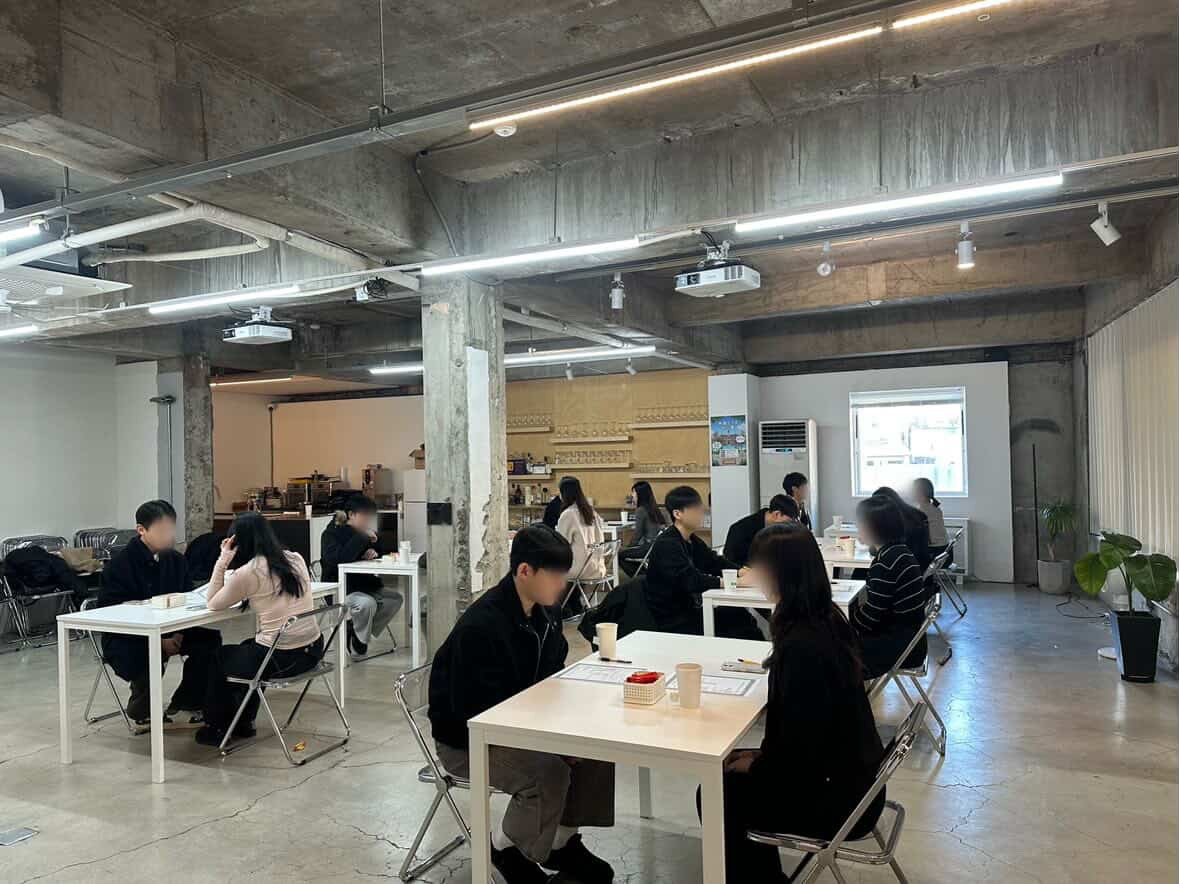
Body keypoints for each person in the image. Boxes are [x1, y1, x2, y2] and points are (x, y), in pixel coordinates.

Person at [428, 525, 616, 884]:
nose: (562, 584)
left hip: (522, 724)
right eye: (555, 575)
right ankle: (504, 849)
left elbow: (551, 674)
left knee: (596, 747)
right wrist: (547, 741)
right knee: (548, 772)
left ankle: (561, 842)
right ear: (525, 571)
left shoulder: (546, 611)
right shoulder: (482, 626)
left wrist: (565, 728)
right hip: (468, 741)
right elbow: (474, 713)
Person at [706, 523, 886, 880]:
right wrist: (760, 756)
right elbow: (804, 732)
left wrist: (759, 765)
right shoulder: (824, 617)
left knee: (717, 794)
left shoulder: (803, 645)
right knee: (727, 775)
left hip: (837, 797)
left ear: (778, 573)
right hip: (852, 779)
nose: (751, 574)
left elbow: (803, 747)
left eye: (757, 566)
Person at [198, 512, 323, 747]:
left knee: (219, 657)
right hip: (312, 650)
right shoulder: (294, 558)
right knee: (247, 649)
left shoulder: (250, 572)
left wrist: (222, 560)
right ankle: (243, 721)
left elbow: (212, 602)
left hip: (281, 658)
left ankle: (216, 727)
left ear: (237, 542)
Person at [97, 500, 221, 726]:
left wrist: (177, 634)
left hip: (173, 628)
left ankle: (188, 700)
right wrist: (160, 640)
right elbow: (111, 611)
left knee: (208, 641)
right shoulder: (119, 565)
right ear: (141, 530)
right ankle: (142, 706)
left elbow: (187, 599)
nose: (169, 536)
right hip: (130, 635)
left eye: (172, 529)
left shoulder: (176, 560)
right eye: (162, 531)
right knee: (147, 652)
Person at [644, 485, 761, 639]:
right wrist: (735, 582)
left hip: (690, 608)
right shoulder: (667, 544)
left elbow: (713, 562)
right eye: (695, 510)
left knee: (741, 616)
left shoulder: (691, 539)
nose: (701, 514)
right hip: (673, 617)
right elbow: (691, 580)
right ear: (677, 514)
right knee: (740, 623)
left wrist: (742, 571)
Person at [848, 495, 929, 678]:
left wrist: (845, 619)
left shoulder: (886, 563)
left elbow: (870, 618)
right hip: (910, 641)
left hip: (898, 647)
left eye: (860, 523)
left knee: (829, 652)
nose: (857, 527)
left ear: (873, 528)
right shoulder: (900, 552)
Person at [320, 494, 404, 657]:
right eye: (365, 516)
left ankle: (356, 631)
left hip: (366, 585)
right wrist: (362, 538)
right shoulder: (331, 534)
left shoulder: (364, 532)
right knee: (367, 604)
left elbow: (382, 551)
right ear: (351, 515)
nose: (368, 520)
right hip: (342, 588)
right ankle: (360, 639)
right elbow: (340, 558)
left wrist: (374, 549)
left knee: (395, 599)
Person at [722, 493, 799, 569]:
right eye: (788, 522)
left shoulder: (777, 528)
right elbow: (730, 563)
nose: (789, 526)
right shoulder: (741, 530)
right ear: (777, 514)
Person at [555, 476, 606, 584]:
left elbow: (560, 545)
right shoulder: (591, 512)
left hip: (577, 570)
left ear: (564, 494)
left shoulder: (568, 514)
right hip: (596, 568)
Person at [874, 485, 932, 570]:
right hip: (922, 565)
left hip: (905, 568)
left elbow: (878, 551)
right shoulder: (917, 514)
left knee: (859, 572)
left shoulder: (895, 521)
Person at [619, 480, 669, 576]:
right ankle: (646, 575)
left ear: (640, 494)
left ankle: (642, 576)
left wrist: (627, 547)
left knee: (618, 555)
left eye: (634, 492)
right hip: (657, 547)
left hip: (648, 548)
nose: (632, 495)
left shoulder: (641, 510)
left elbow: (637, 535)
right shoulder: (655, 509)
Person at [910, 478, 949, 563]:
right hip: (944, 552)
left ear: (919, 492)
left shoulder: (922, 511)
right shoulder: (935, 508)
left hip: (935, 554)